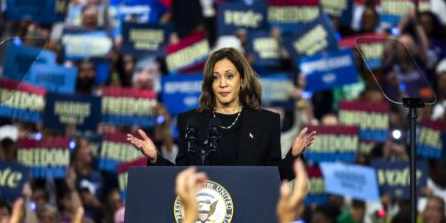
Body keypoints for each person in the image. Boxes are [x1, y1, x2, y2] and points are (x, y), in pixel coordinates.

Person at [127, 47, 315, 180]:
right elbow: (183, 176)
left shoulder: (267, 122)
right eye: (216, 78)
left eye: (229, 76)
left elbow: (272, 178)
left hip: (249, 216)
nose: (222, 84)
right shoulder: (191, 121)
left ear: (242, 80)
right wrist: (155, 158)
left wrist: (293, 156)